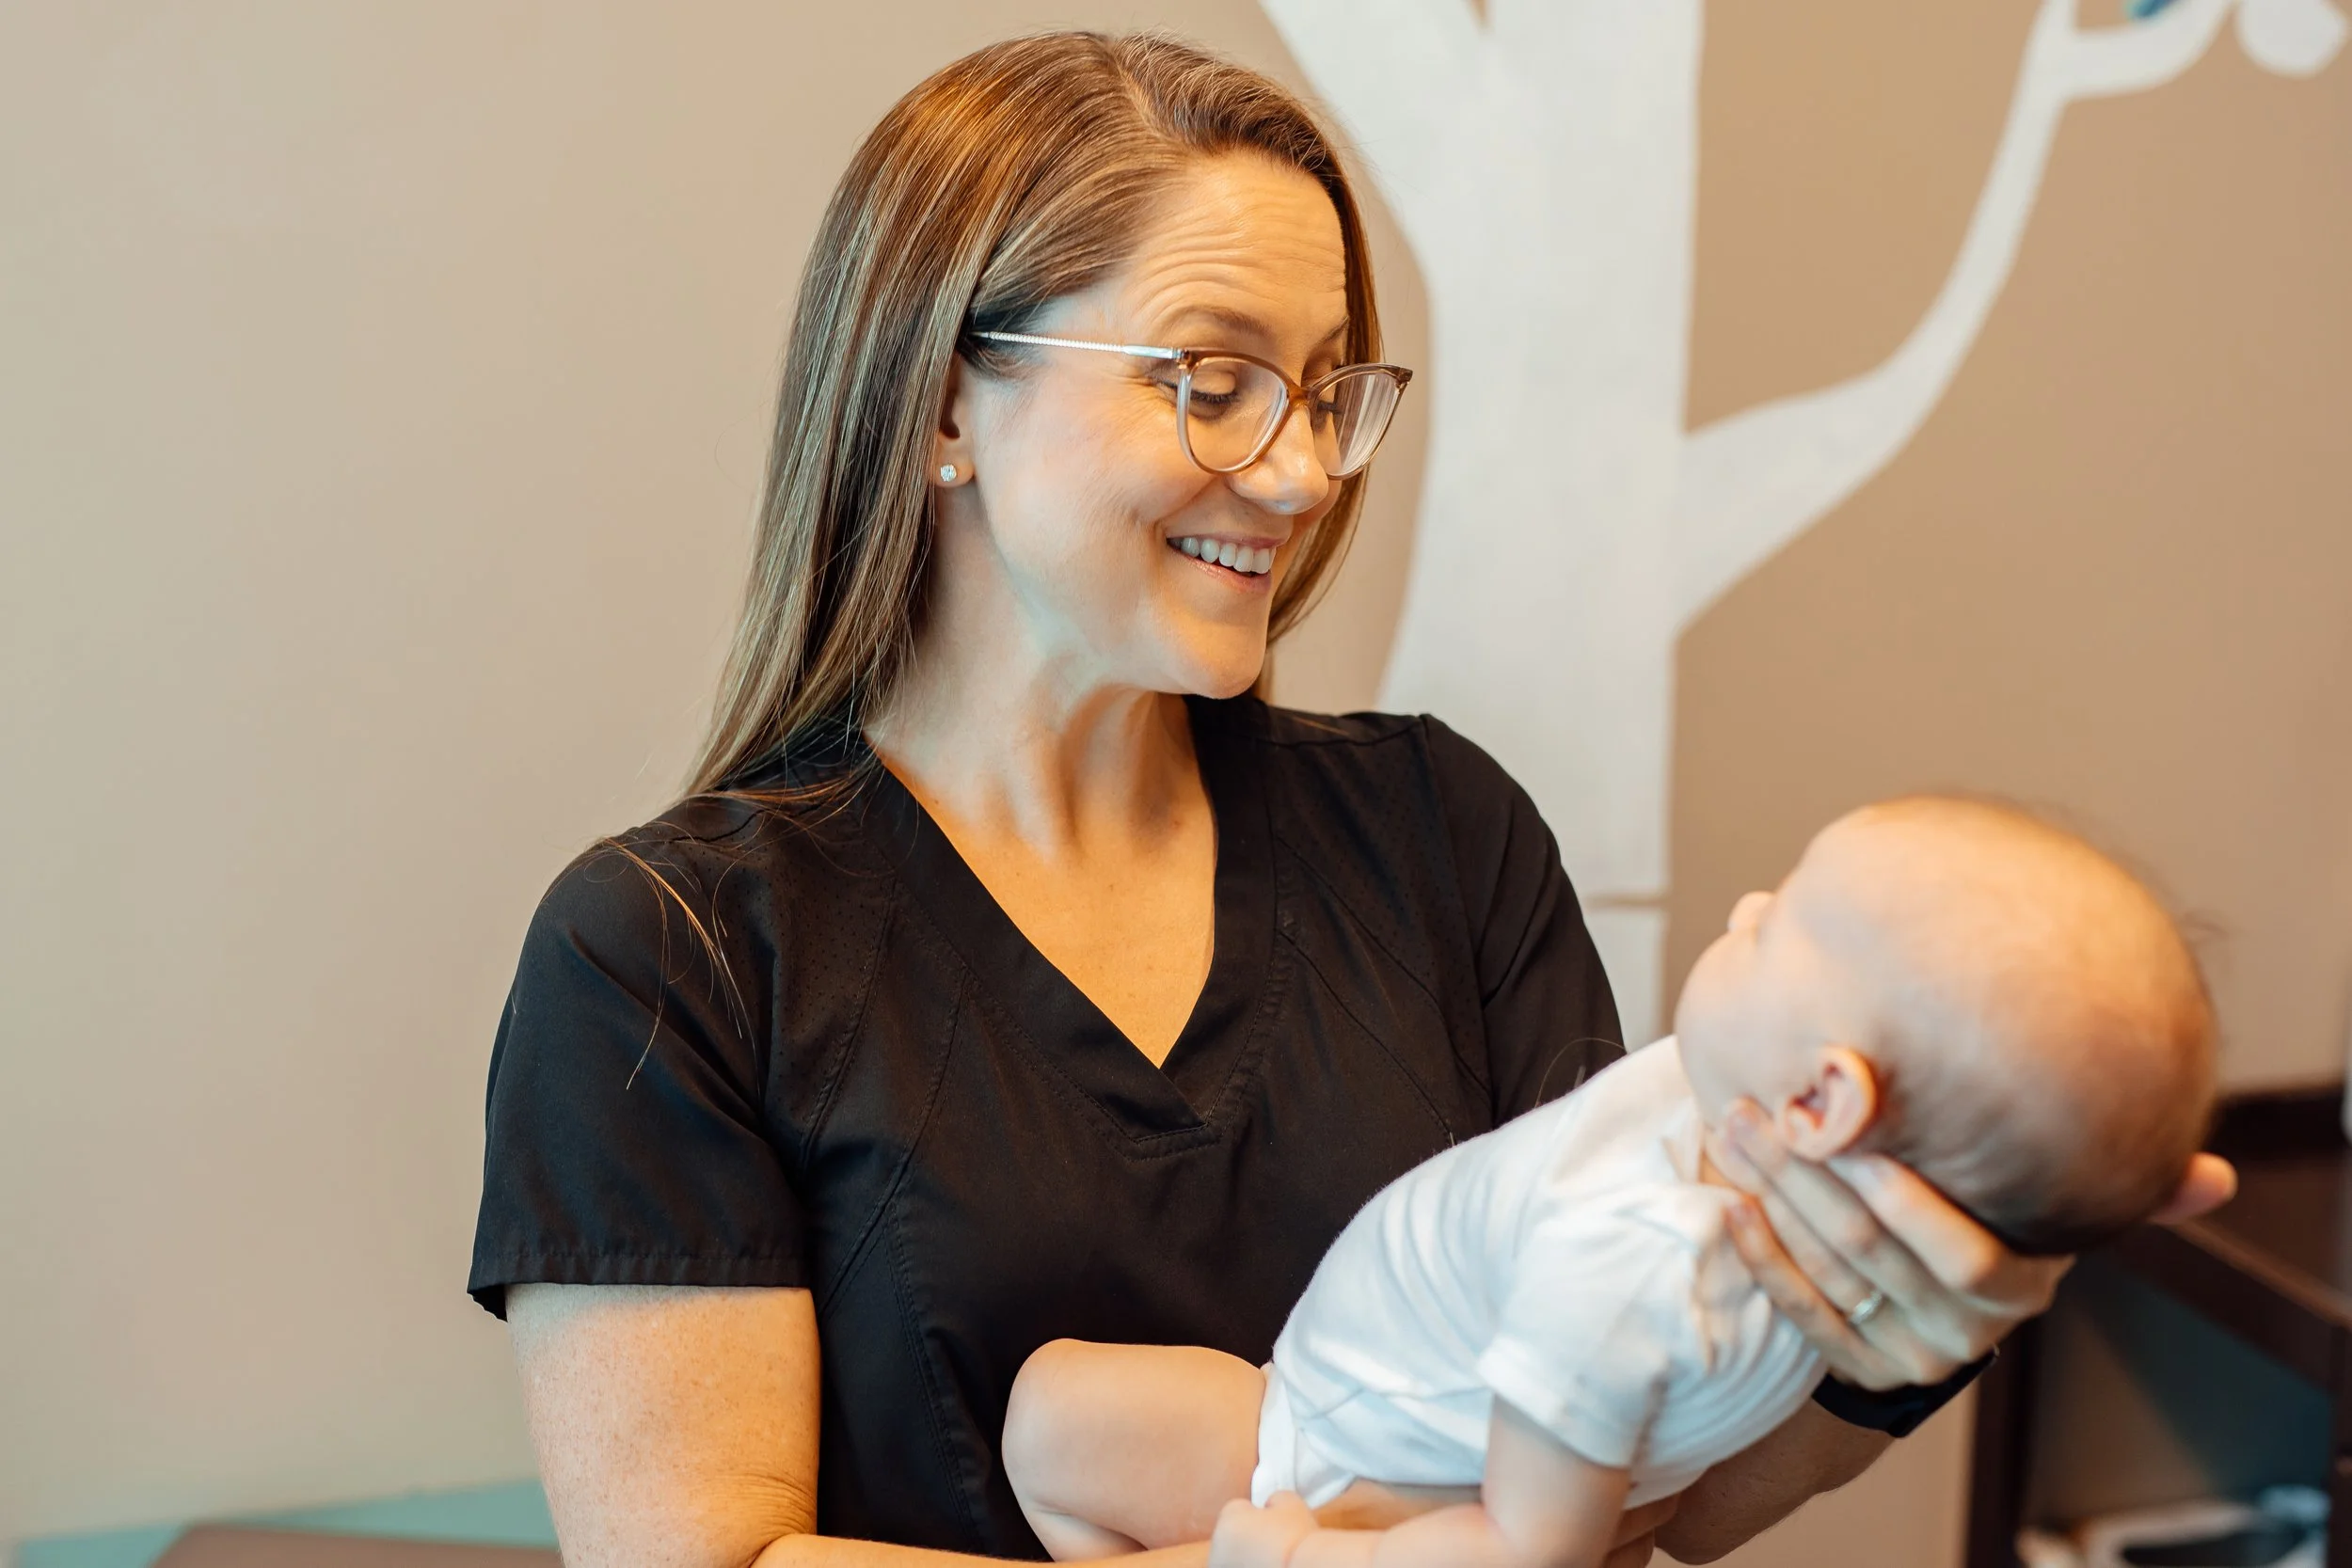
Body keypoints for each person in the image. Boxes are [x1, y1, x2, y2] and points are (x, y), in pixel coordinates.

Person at [465, 32, 2234, 1568]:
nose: (1305, 469)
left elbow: (1659, 1489)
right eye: (1215, 380)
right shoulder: (671, 956)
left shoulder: (1441, 837)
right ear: (945, 403)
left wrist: (1912, 1321)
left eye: (1327, 392)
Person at [998, 799, 2218, 1566]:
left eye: (1778, 922)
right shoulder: (1765, 1162)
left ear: (1821, 1102)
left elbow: (1537, 1547)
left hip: (1320, 1449)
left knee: (1050, 1412)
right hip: (1365, 1413)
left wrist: (1299, 1554)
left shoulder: (1634, 1252)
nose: (1744, 905)